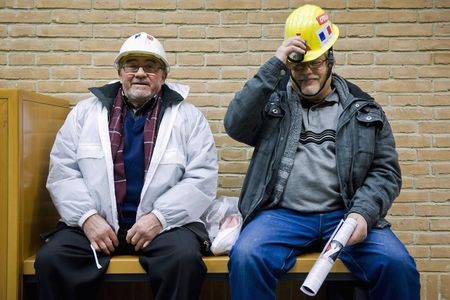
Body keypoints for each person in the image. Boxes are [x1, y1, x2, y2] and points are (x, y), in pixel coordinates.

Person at [224, 4, 420, 300]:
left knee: (397, 264)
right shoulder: (272, 103)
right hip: (281, 215)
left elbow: (385, 172)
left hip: (345, 214)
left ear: (331, 60)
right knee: (246, 257)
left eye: (315, 62)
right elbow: (234, 124)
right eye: (299, 64)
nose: (307, 73)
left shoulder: (363, 109)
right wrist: (275, 64)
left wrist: (363, 215)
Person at [35, 32, 218, 300]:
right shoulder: (85, 113)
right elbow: (63, 172)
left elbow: (201, 177)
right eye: (132, 65)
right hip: (96, 224)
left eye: (151, 66)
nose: (141, 73)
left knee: (184, 261)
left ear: (163, 75)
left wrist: (159, 218)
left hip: (164, 227)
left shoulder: (190, 118)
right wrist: (87, 218)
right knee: (52, 260)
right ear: (121, 72)